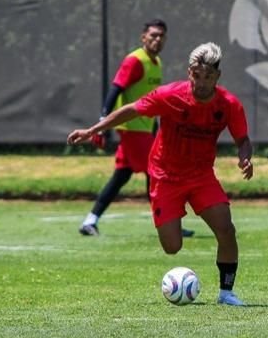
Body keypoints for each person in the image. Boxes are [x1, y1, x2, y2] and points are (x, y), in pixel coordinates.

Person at [69, 42, 253, 306]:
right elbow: (132, 109)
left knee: (226, 229)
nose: (202, 83)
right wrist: (93, 130)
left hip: (201, 176)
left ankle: (226, 293)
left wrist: (245, 156)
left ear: (217, 76)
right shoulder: (170, 95)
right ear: (190, 72)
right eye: (197, 76)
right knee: (172, 247)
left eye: (209, 77)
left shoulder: (228, 104)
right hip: (165, 175)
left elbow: (243, 139)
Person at [79, 19, 193, 238]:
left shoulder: (156, 62)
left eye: (161, 36)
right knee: (158, 173)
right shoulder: (134, 61)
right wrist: (102, 124)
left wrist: (156, 128)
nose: (157, 39)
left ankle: (90, 221)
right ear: (143, 37)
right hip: (132, 130)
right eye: (153, 35)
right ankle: (169, 225)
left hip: (144, 129)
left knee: (121, 177)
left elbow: (153, 101)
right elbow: (115, 89)